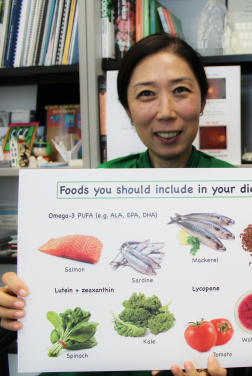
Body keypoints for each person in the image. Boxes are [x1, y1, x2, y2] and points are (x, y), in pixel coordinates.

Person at [0, 32, 233, 376]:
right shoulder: (98, 185)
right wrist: (18, 304)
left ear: (202, 101)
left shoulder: (236, 186)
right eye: (146, 95)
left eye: (181, 90)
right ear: (127, 108)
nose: (166, 112)